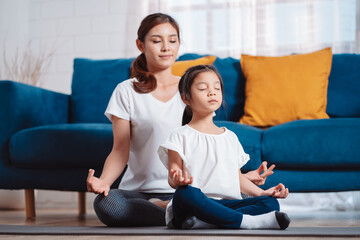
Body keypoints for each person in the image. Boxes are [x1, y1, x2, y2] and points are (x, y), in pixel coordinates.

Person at [86, 13, 276, 227]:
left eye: (173, 40)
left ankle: (185, 210)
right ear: (141, 45)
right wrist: (104, 182)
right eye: (157, 41)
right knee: (107, 205)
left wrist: (236, 177)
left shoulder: (194, 89)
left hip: (189, 191)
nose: (166, 47)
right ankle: (180, 211)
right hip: (139, 193)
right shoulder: (126, 91)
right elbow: (120, 149)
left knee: (263, 202)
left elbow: (208, 139)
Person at [158, 65, 290, 230]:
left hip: (228, 204)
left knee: (270, 203)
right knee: (185, 193)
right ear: (186, 98)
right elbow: (173, 176)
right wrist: (177, 179)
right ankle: (246, 222)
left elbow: (238, 178)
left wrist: (262, 193)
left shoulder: (230, 137)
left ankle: (204, 222)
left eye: (217, 88)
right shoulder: (179, 135)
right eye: (202, 88)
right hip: (194, 203)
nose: (212, 92)